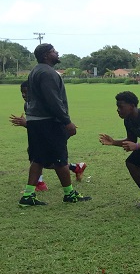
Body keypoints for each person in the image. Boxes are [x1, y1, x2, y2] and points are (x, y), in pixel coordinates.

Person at [18, 43, 91, 206]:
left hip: (35, 121)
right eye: (53, 51)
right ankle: (69, 194)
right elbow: (53, 100)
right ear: (45, 55)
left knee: (38, 158)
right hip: (49, 122)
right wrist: (67, 121)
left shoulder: (35, 71)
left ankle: (28, 196)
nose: (57, 53)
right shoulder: (47, 72)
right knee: (60, 159)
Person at [10, 80, 87, 190]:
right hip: (41, 135)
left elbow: (47, 123)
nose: (24, 95)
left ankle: (46, 184)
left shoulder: (44, 103)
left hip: (54, 134)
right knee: (40, 157)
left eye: (26, 92)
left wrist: (26, 123)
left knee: (49, 160)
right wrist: (27, 124)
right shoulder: (27, 105)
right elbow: (37, 125)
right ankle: (75, 167)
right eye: (22, 92)